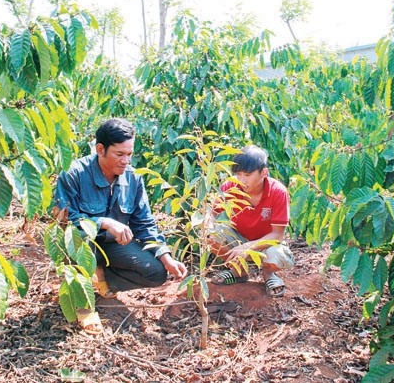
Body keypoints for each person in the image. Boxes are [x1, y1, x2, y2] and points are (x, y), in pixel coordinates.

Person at [55, 118, 188, 334]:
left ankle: (103, 280)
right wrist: (104, 223)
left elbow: (144, 223)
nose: (126, 161)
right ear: (100, 149)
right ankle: (83, 306)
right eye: (119, 154)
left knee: (156, 273)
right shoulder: (74, 174)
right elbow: (65, 221)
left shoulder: (133, 178)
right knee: (80, 251)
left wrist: (166, 257)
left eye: (129, 154)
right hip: (82, 243)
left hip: (113, 247)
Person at [209, 145, 294, 298]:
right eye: (238, 174)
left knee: (277, 254)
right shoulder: (230, 186)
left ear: (264, 172)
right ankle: (238, 271)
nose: (241, 180)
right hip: (238, 237)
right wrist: (208, 228)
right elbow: (212, 213)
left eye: (247, 175)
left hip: (266, 244)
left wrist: (247, 247)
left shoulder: (277, 192)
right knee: (212, 237)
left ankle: (269, 274)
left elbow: (277, 235)